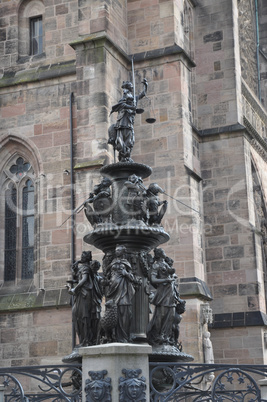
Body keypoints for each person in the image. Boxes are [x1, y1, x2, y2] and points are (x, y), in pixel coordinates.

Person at [105, 245, 141, 342]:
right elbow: (108, 276)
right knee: (114, 314)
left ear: (123, 252)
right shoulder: (112, 262)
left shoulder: (126, 263)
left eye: (118, 250)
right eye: (116, 250)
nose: (116, 252)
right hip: (113, 291)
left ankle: (124, 337)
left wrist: (125, 273)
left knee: (125, 314)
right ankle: (114, 337)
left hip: (123, 290)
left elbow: (133, 278)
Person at [108, 79, 147, 162]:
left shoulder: (134, 98)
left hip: (129, 122)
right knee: (121, 138)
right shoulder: (125, 96)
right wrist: (131, 107)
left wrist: (146, 86)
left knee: (130, 140)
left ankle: (127, 154)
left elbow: (142, 94)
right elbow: (122, 104)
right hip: (123, 121)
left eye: (132, 87)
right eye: (131, 87)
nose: (132, 88)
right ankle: (121, 151)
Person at [147, 248, 177, 346]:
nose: (165, 253)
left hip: (171, 294)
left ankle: (166, 337)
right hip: (163, 294)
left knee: (170, 316)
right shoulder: (156, 265)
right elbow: (153, 279)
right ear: (160, 254)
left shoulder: (167, 264)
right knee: (161, 316)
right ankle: (158, 336)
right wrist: (165, 281)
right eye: (163, 252)